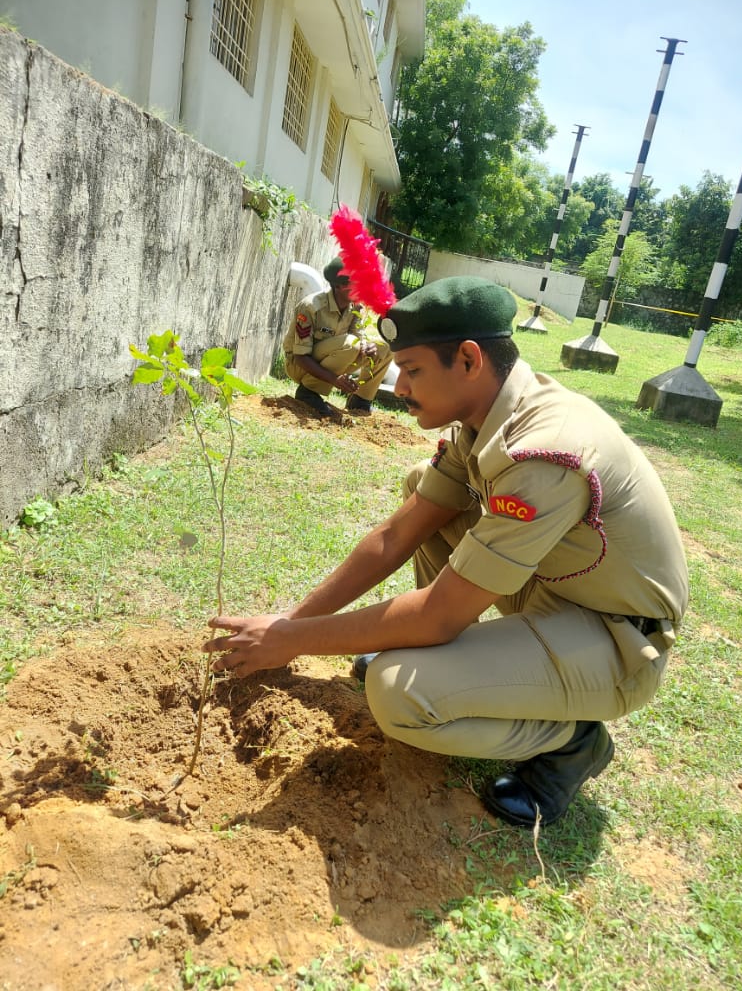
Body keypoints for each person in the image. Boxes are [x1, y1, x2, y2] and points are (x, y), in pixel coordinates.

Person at [205, 276, 689, 828]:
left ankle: (570, 741)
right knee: (424, 490)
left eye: (412, 371)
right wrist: (291, 621)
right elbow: (398, 535)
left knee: (396, 694)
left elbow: (436, 615)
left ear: (468, 358)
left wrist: (290, 640)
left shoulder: (542, 452)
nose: (399, 386)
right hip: (559, 586)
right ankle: (468, 670)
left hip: (615, 638)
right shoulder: (488, 413)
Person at [282, 256, 393, 417]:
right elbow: (300, 356)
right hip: (298, 365)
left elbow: (358, 337)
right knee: (350, 344)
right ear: (340, 286)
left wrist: (366, 347)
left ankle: (360, 400)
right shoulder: (311, 307)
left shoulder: (356, 307)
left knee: (385, 348)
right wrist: (334, 379)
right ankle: (308, 393)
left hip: (334, 357)